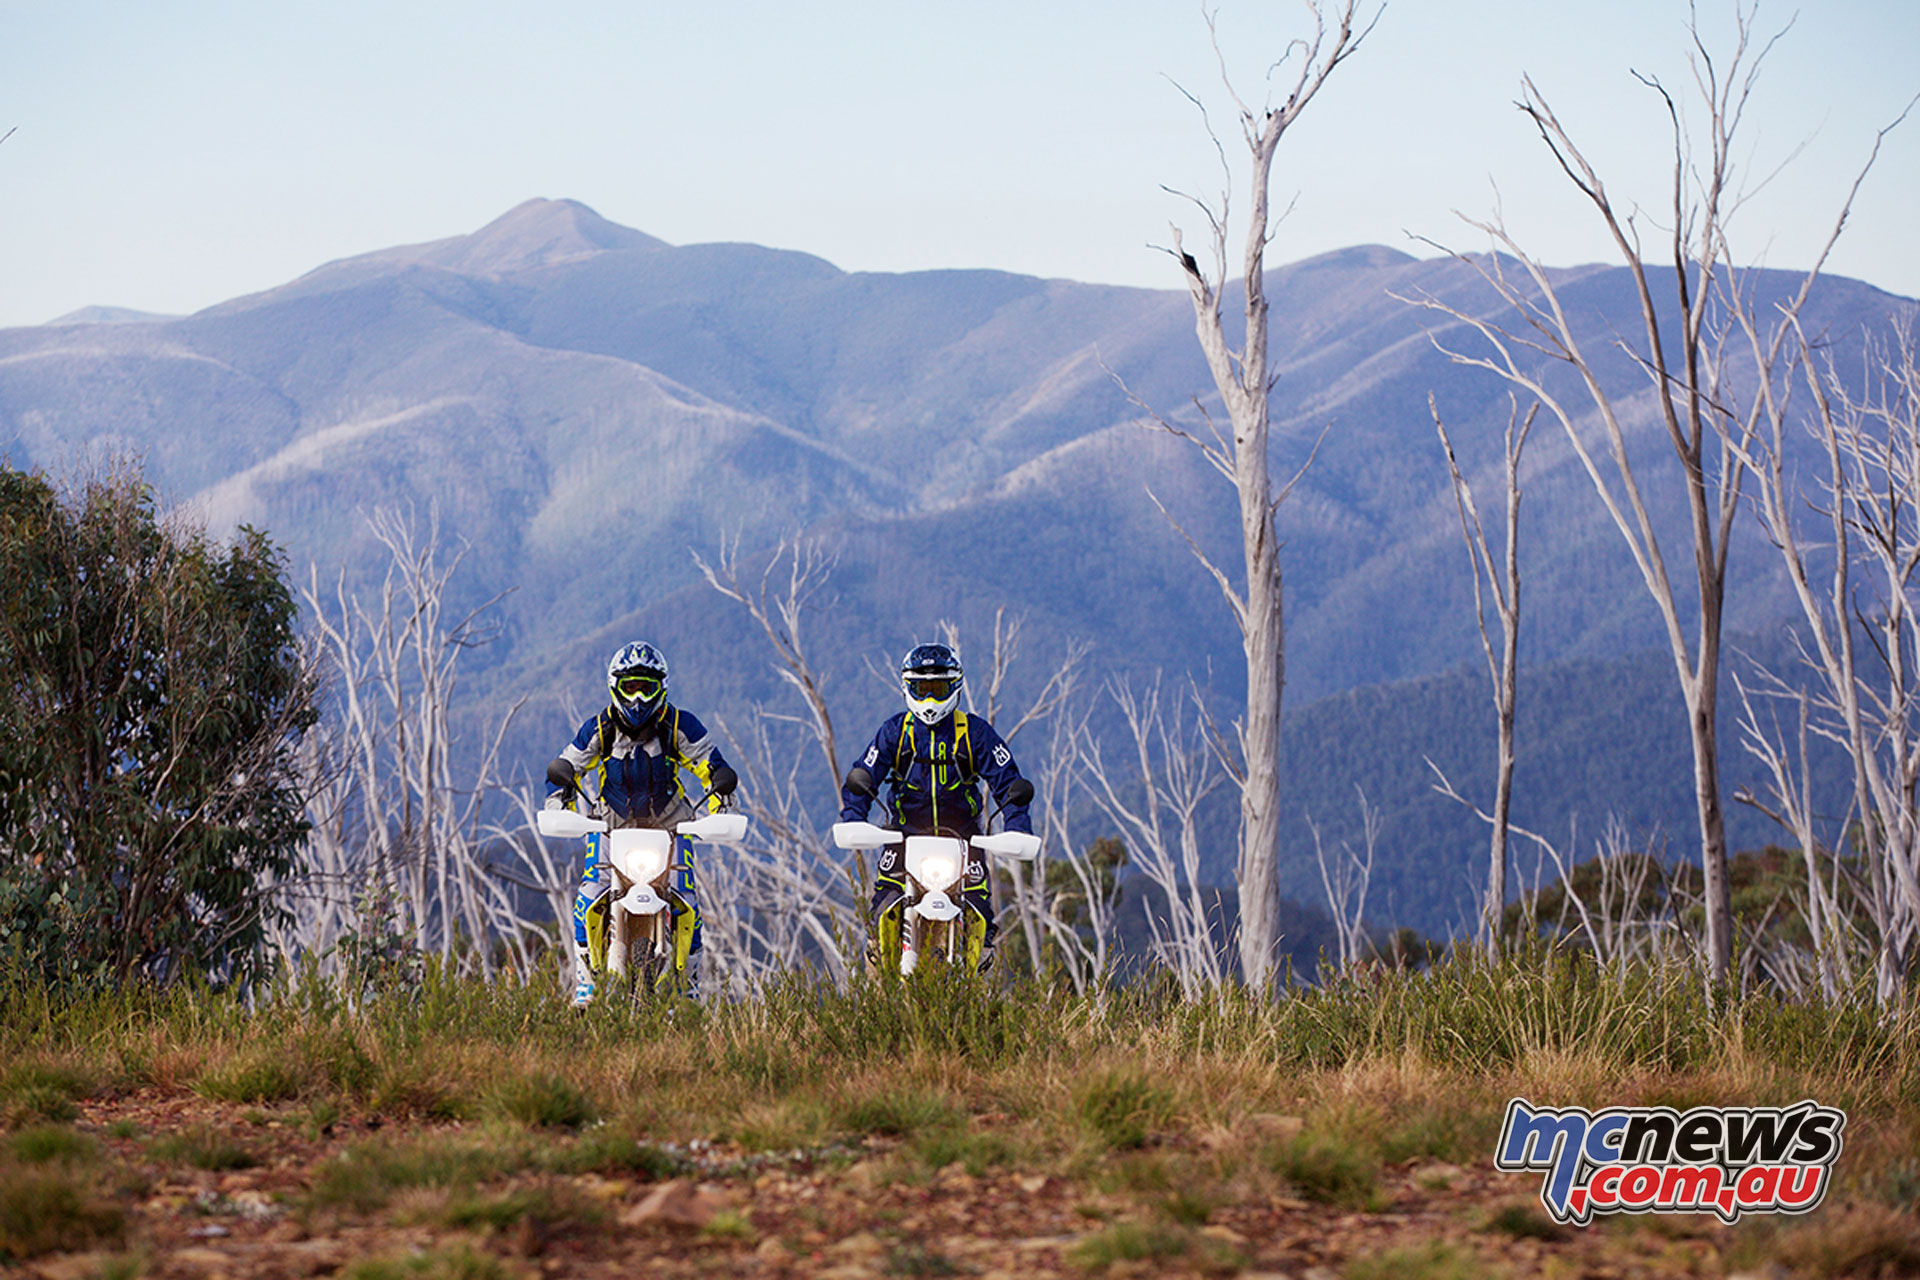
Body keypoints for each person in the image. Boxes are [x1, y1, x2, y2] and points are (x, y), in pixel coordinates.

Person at [546, 641, 736, 1007]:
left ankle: (689, 986)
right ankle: (585, 984)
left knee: (688, 905)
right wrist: (558, 803)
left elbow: (712, 766)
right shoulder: (599, 727)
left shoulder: (680, 724)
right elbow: (565, 766)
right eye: (630, 686)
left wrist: (721, 807)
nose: (637, 697)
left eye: (645, 687)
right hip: (609, 826)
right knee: (587, 899)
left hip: (671, 827)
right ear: (615, 686)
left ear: (660, 688)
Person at [839, 642, 1034, 975]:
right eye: (921, 688)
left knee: (980, 917)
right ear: (907, 688)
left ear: (954, 686)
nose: (929, 698)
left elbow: (1008, 780)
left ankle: (977, 989)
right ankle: (876, 994)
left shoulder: (975, 733)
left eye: (938, 688)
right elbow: (864, 774)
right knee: (881, 913)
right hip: (903, 837)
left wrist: (1017, 827)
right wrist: (853, 819)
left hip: (965, 839)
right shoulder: (894, 733)